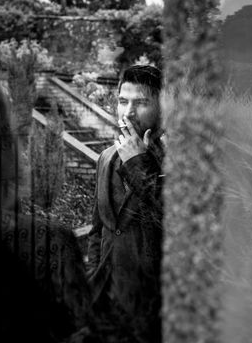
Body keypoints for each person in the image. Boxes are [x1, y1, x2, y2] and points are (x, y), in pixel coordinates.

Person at [86, 65, 164, 342]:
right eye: (122, 101)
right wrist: (92, 280)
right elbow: (100, 230)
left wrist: (138, 164)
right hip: (107, 303)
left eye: (141, 103)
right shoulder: (106, 157)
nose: (128, 112)